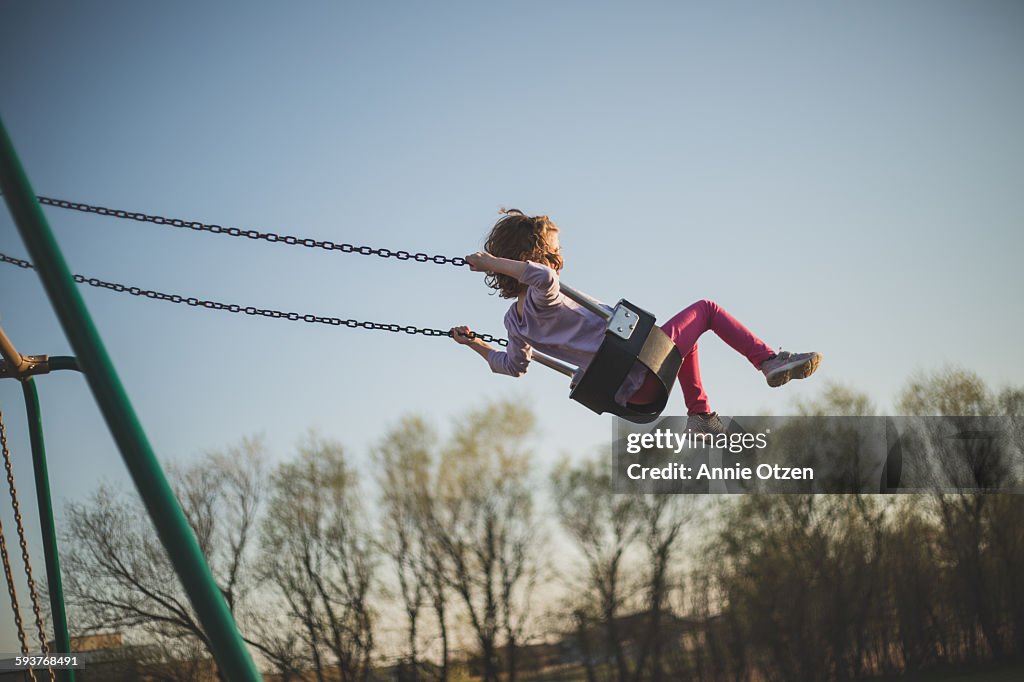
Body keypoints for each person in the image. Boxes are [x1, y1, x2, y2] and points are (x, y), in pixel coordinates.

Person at [449, 209, 821, 433]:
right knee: (705, 309)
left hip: (629, 394)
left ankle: (702, 416)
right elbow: (543, 278)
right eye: (555, 251)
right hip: (640, 364)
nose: (559, 258)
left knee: (683, 342)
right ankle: (768, 361)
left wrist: (475, 345)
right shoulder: (541, 296)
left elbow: (513, 366)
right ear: (533, 255)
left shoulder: (513, 324)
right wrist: (488, 261)